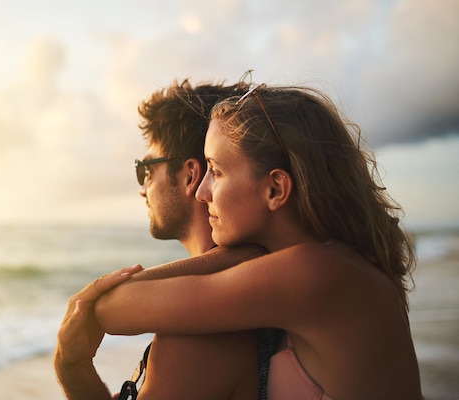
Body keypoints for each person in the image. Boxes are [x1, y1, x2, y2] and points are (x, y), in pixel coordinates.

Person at [93, 76, 423, 399]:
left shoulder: (316, 271)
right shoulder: (334, 263)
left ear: (275, 189)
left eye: (216, 171)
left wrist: (73, 362)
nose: (202, 191)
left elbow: (113, 308)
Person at [54, 79, 272, 399]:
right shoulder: (252, 277)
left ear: (189, 175)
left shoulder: (196, 329)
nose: (142, 187)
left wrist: (71, 368)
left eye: (145, 168)